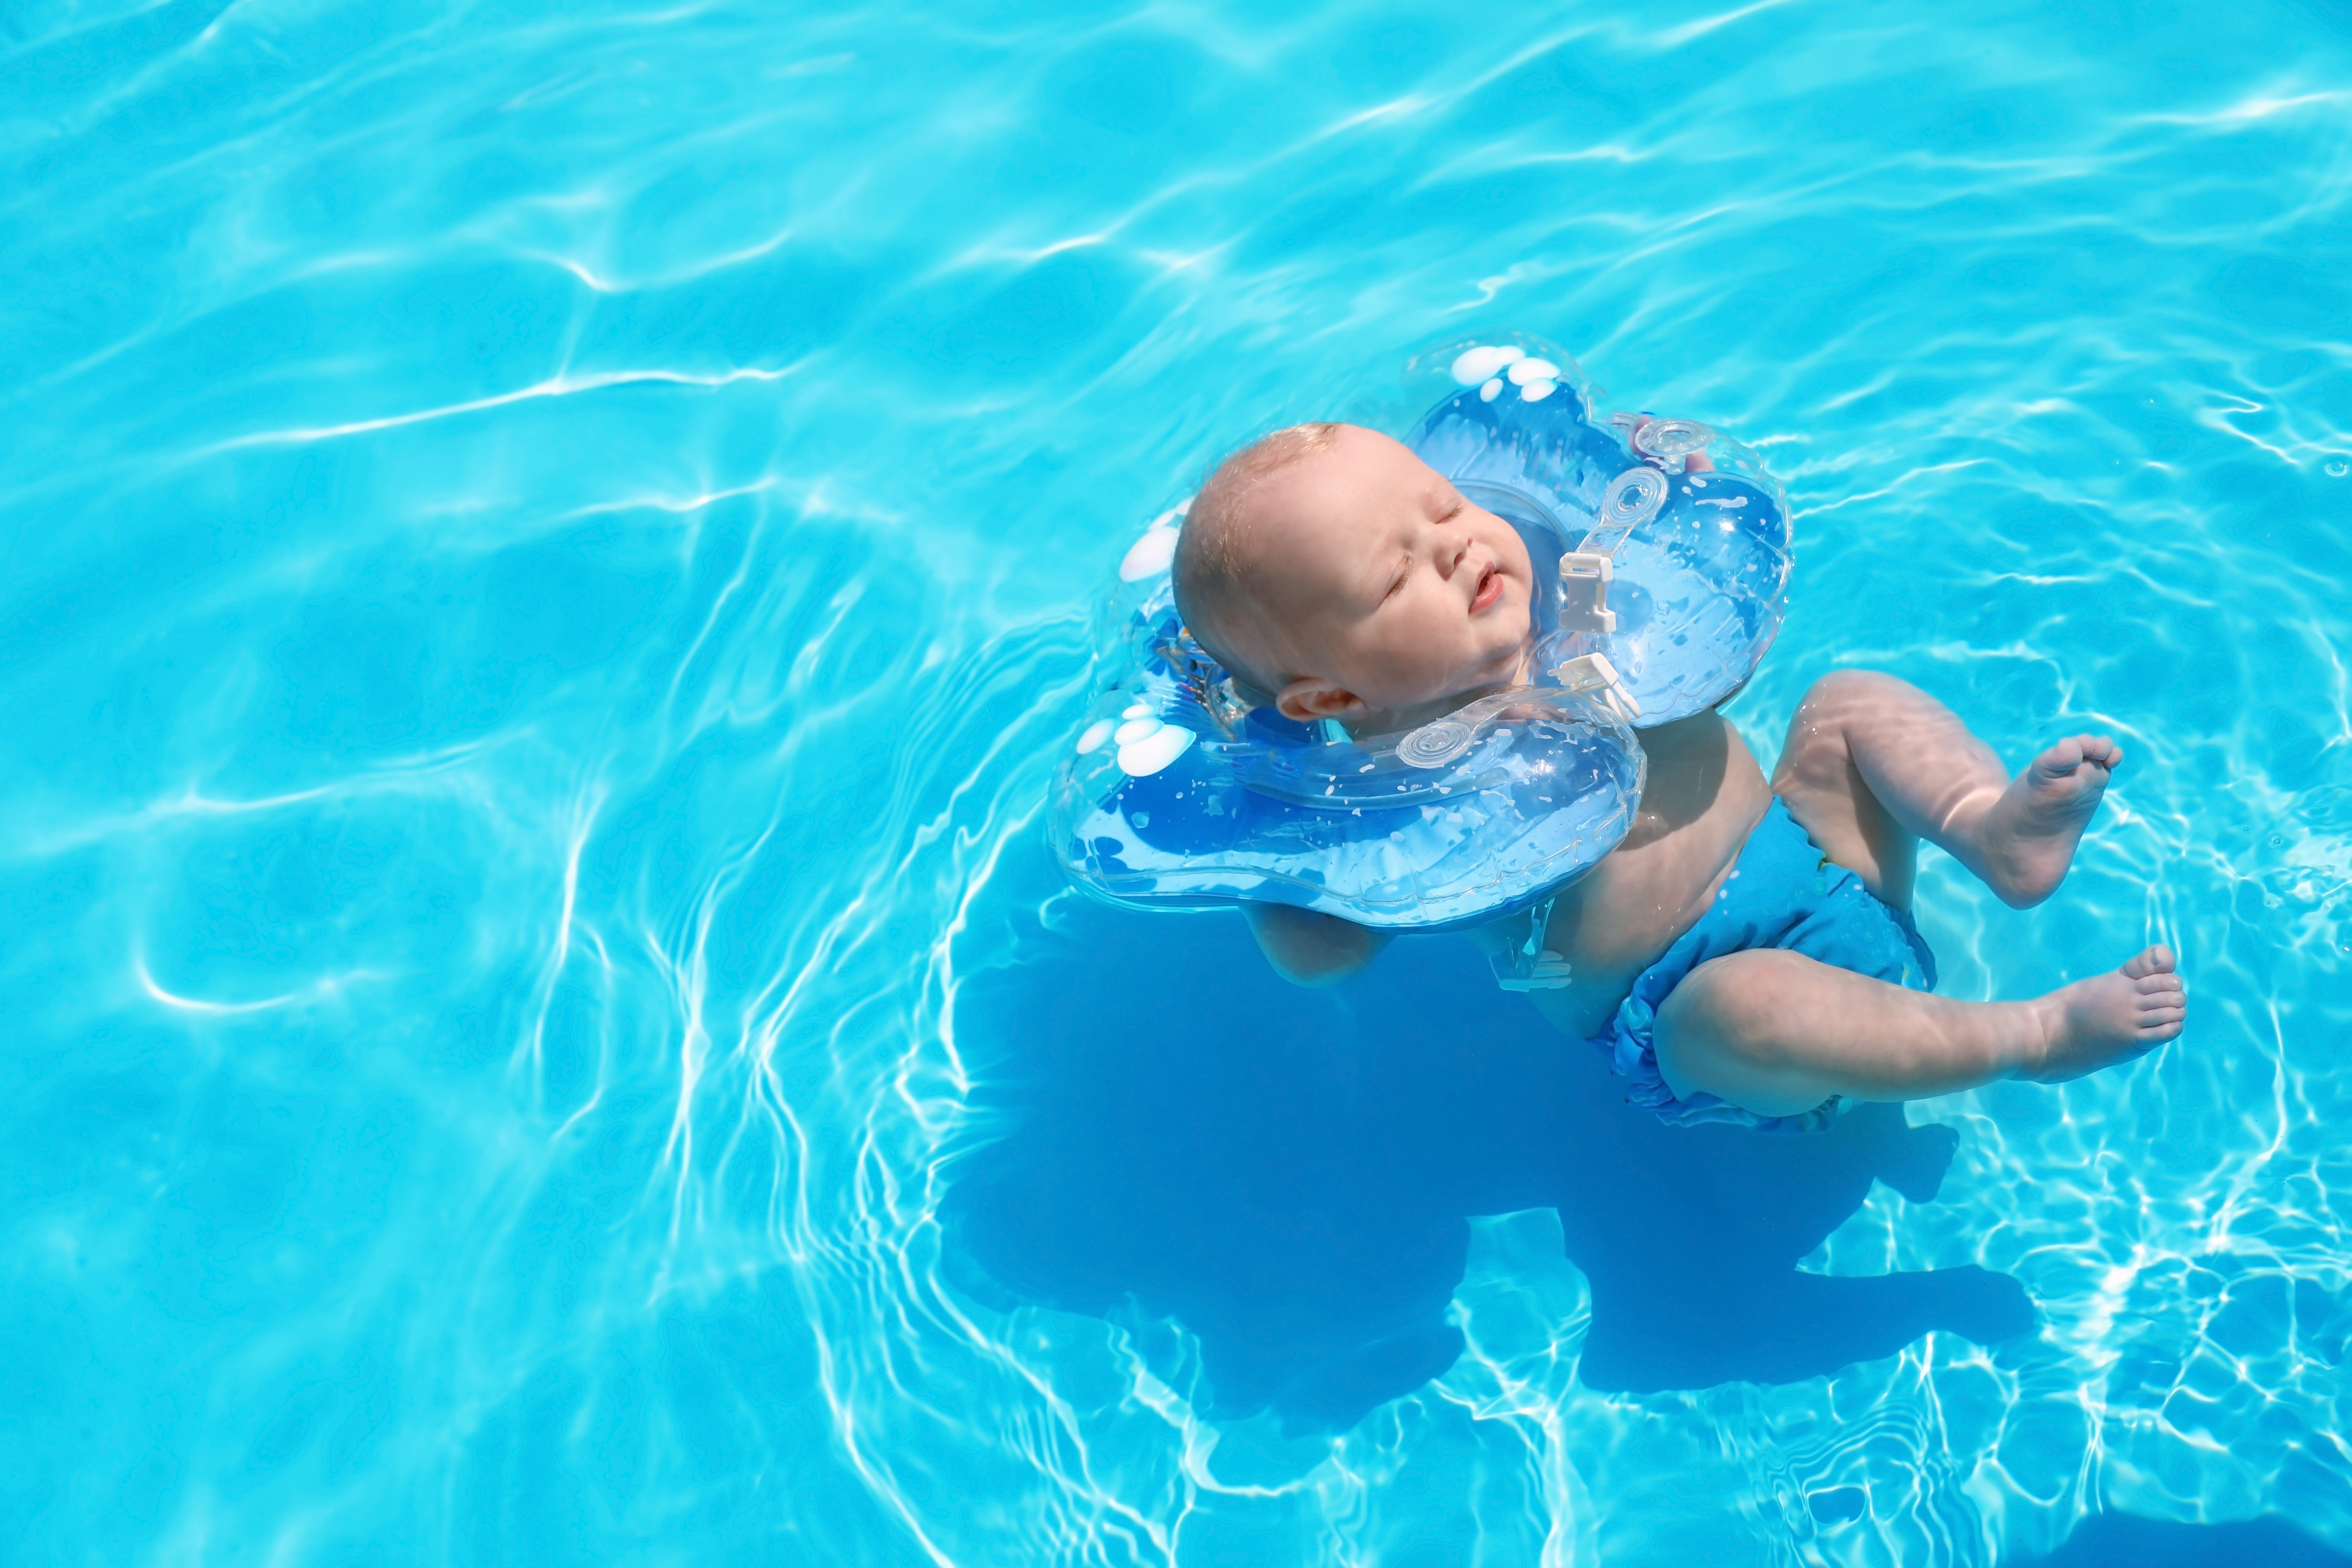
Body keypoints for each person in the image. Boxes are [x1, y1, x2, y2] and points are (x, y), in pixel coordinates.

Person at [1171, 421, 2185, 1129]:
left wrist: (1666, 495)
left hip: (1820, 857)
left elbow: (1687, 604)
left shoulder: (1576, 603)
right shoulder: (1387, 793)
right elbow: (1327, 950)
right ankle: (2031, 1037)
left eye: (1446, 508)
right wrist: (1262, 845)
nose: (1454, 547)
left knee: (1845, 704)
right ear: (1330, 697)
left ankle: (1990, 829)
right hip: (1700, 1017)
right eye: (1397, 576)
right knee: (1746, 1005)